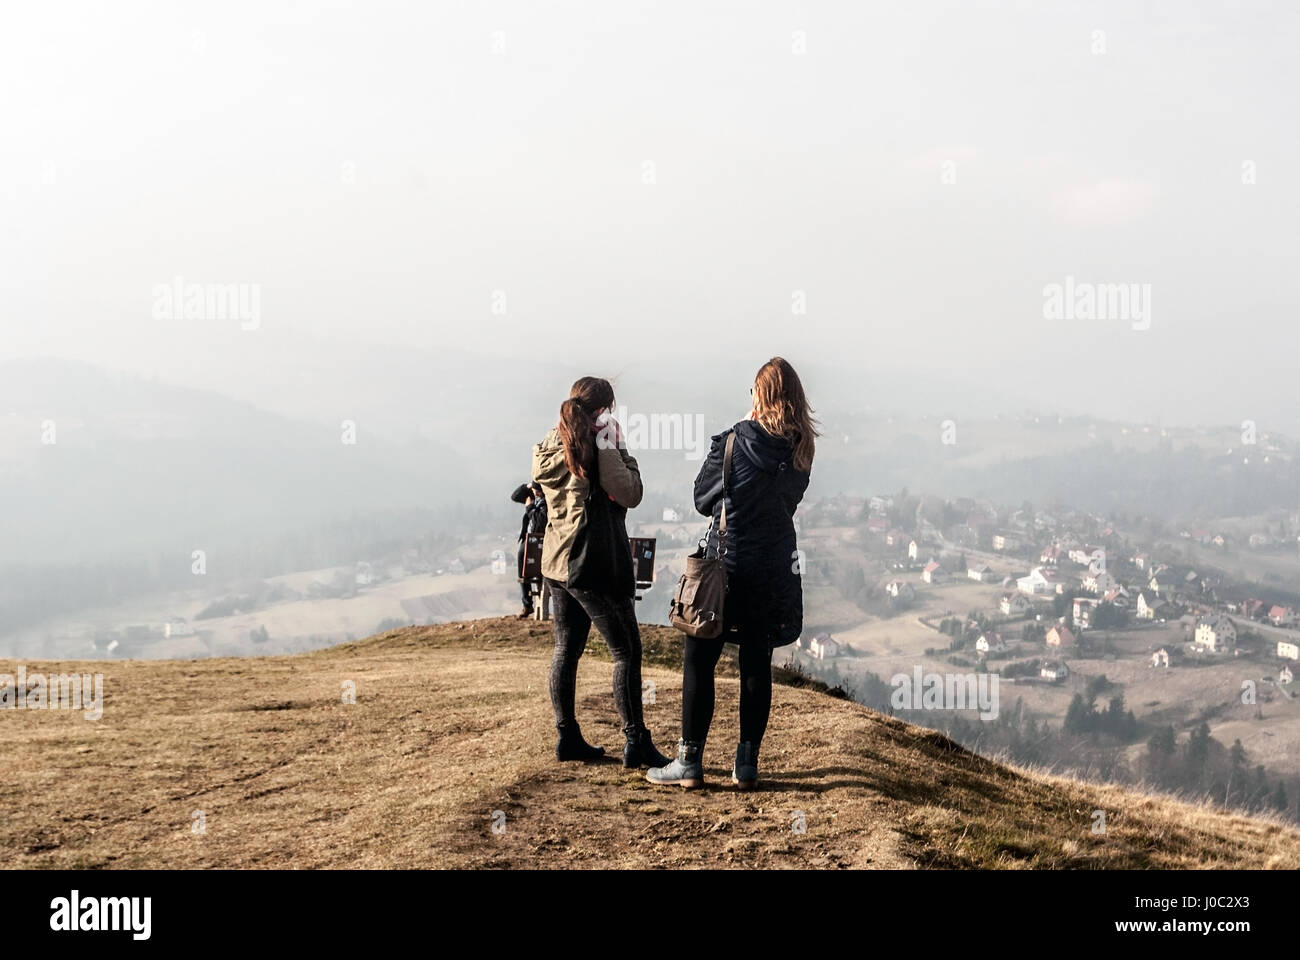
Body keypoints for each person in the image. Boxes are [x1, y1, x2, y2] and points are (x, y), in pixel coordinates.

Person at [648, 357, 817, 790]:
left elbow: (702, 499)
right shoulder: (802, 449)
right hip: (773, 565)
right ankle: (747, 765)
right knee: (756, 661)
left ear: (759, 397)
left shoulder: (734, 441)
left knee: (699, 661)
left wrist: (739, 428)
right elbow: (789, 503)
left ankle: (689, 762)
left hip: (725, 564)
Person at [532, 376, 672, 768]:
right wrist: (623, 448)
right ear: (602, 409)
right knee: (627, 651)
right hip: (593, 562)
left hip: (558, 562)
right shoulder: (601, 441)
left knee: (566, 648)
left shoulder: (550, 441)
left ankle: (567, 736)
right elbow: (630, 491)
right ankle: (635, 742)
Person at [510, 481, 547, 618]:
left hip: (538, 541)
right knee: (522, 571)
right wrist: (526, 487)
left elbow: (539, 523)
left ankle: (527, 604)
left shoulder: (547, 502)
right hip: (528, 539)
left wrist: (530, 507)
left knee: (526, 565)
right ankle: (527, 604)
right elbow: (514, 496)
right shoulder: (534, 496)